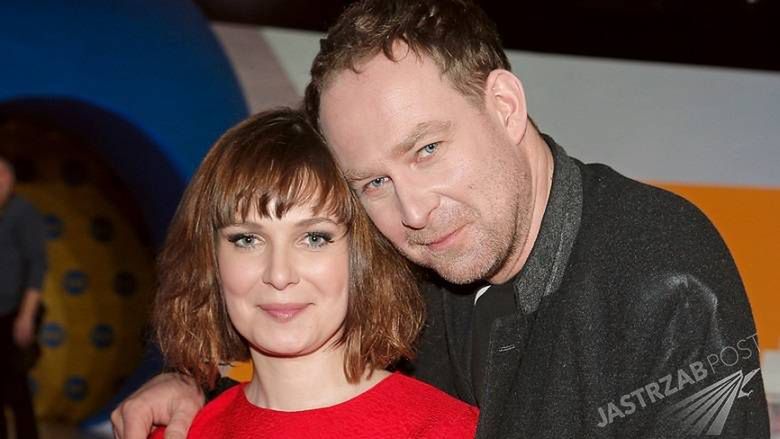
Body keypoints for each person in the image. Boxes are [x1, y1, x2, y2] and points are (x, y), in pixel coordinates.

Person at [112, 0, 770, 437]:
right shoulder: (412, 252)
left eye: (427, 149)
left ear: (504, 106)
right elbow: (293, 347)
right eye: (374, 182)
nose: (414, 211)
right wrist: (190, 381)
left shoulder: (661, 274)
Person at [144, 108, 478, 438]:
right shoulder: (176, 432)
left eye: (314, 238)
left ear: (364, 255)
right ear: (209, 259)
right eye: (247, 239)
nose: (279, 275)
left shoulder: (447, 430)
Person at [0, 156, 44, 439]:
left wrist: (26, 316)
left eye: (3, 173)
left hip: (14, 313)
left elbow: (37, 266)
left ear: (12, 179)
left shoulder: (23, 213)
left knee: (15, 384)